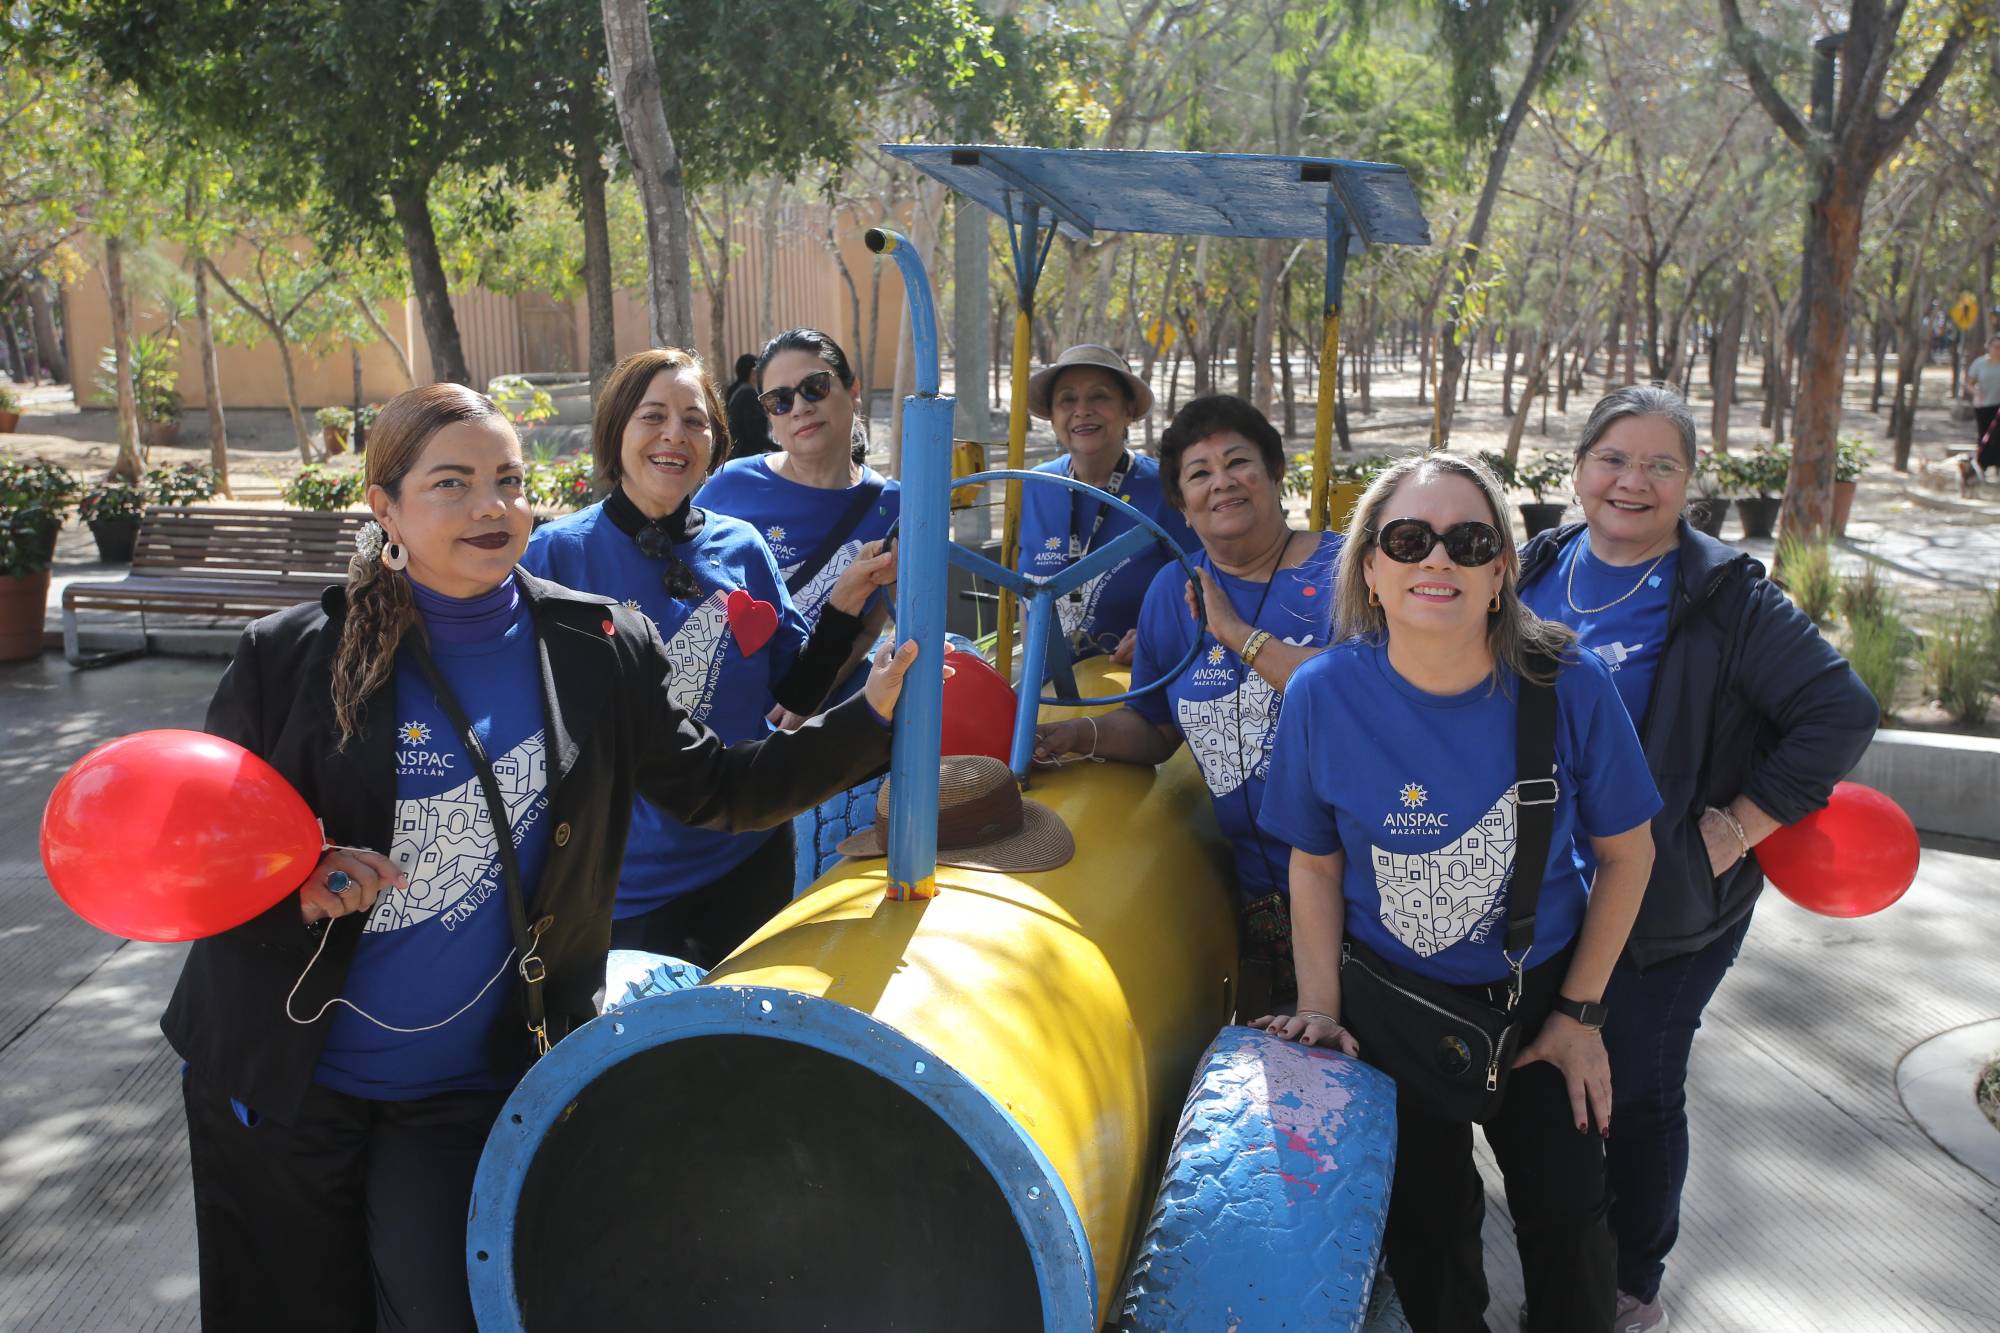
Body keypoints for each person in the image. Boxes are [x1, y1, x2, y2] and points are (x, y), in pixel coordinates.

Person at [164, 382, 921, 1332]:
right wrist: (295, 886)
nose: (491, 506)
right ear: (385, 505)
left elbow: (721, 791)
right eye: (452, 483)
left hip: (461, 1091)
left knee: (452, 1309)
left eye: (509, 481)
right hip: (278, 1083)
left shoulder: (597, 644)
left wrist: (871, 717)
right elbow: (199, 856)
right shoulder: (290, 657)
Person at [1255, 451, 1660, 1333]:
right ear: (1370, 566)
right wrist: (1320, 1005)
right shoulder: (1323, 693)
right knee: (1431, 1243)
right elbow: (1315, 864)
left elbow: (1629, 856)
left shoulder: (1567, 686)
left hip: (1544, 999)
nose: (1437, 560)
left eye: (1468, 541)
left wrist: (1582, 1014)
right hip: (1392, 1009)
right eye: (1409, 539)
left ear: (1500, 571)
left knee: (1571, 1229)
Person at [1517, 384, 1877, 1333]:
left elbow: (1842, 712)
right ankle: (1571, 1257)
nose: (1632, 482)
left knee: (1635, 1087)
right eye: (1613, 460)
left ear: (1689, 484)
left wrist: (1740, 826)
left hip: (1668, 905)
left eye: (1660, 465)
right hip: (1548, 891)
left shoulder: (1727, 597)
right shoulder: (1538, 563)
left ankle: (1635, 1278)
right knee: (1559, 1082)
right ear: (1579, 467)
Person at [521, 348, 893, 964]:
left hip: (746, 858)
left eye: (695, 420)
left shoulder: (740, 547)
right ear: (616, 432)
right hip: (621, 886)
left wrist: (845, 608)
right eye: (653, 416)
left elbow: (793, 693)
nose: (675, 434)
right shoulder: (557, 558)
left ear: (716, 443)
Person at [1032, 395, 1340, 1016]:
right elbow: (1153, 727)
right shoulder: (1173, 593)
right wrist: (1078, 737)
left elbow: (1367, 701)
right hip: (1265, 903)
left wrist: (1235, 634)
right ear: (1180, 503)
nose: (1221, 483)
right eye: (1199, 473)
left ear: (1276, 473)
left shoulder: (1349, 574)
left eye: (1238, 463)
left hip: (1370, 896)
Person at [701, 328, 900, 707]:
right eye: (780, 400)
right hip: (716, 708)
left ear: (853, 389)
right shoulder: (730, 485)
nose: (800, 408)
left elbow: (868, 625)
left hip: (804, 715)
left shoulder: (894, 507)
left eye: (816, 387)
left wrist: (809, 698)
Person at [1017, 343, 1196, 667]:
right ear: (1053, 416)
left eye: (1099, 396)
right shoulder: (1034, 486)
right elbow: (1026, 597)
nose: (1082, 410)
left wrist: (1159, 634)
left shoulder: (1167, 489)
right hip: (1045, 693)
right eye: (1067, 399)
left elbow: (1205, 585)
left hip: (1138, 686)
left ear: (1128, 410)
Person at [1963, 331, 2000, 479]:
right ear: (1989, 348)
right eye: (1995, 347)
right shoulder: (1980, 363)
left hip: (1998, 406)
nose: (1998, 350)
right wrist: (1976, 392)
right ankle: (1981, 466)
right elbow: (1969, 383)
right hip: (1983, 405)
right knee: (1984, 436)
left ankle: (1997, 466)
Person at [724, 351, 775, 458]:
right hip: (746, 457)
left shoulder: (738, 391)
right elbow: (754, 433)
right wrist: (779, 448)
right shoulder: (747, 394)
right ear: (753, 372)